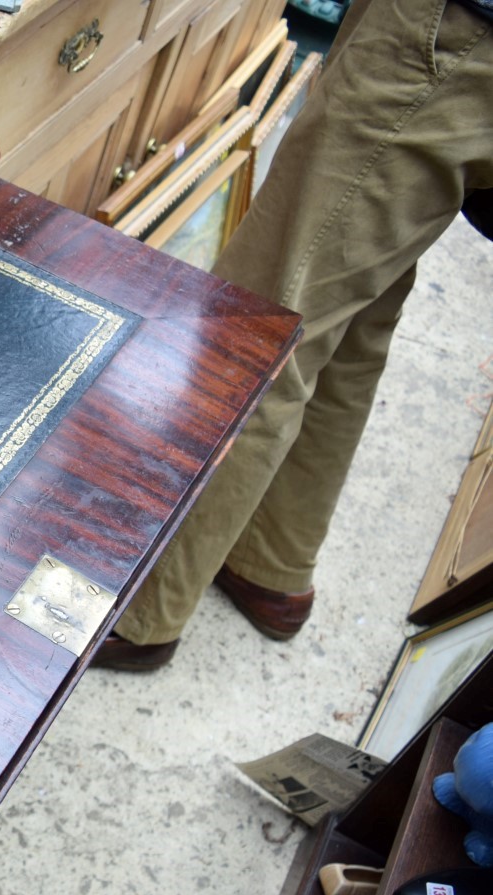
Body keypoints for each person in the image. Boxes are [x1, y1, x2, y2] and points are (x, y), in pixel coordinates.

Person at [94, 0, 493, 670]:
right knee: (347, 304)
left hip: (455, 30)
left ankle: (141, 607)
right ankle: (267, 558)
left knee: (261, 326)